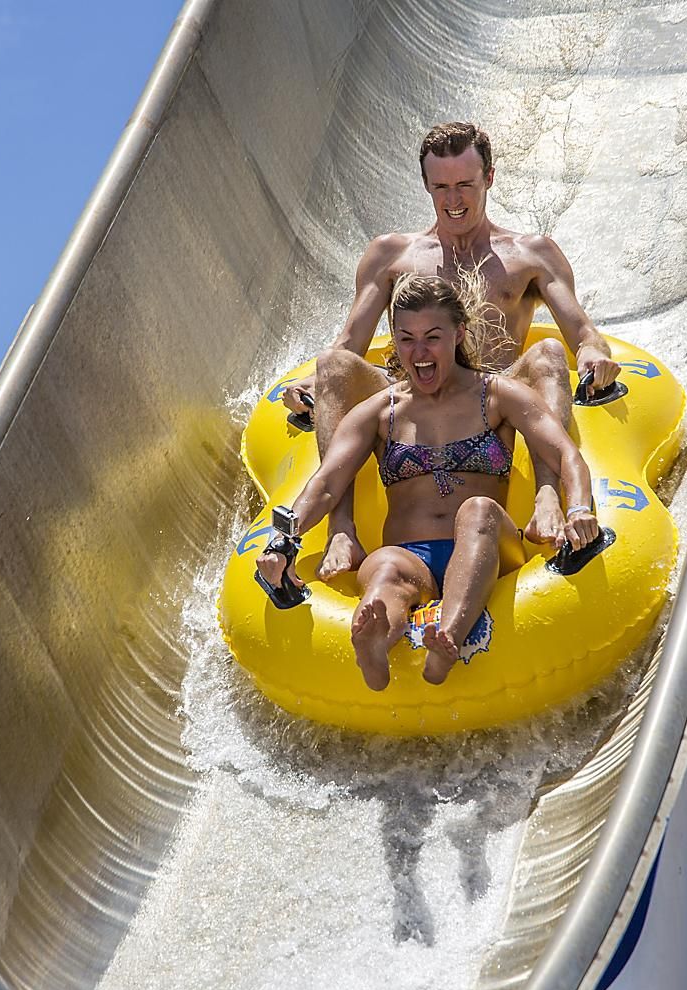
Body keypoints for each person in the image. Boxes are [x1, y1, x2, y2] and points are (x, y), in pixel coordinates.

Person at [280, 120, 621, 581]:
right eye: (441, 186)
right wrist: (312, 385)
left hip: (495, 395)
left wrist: (592, 353)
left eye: (465, 184)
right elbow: (349, 346)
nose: (454, 200)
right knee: (332, 367)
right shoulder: (391, 255)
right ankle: (342, 528)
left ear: (490, 179)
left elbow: (581, 331)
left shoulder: (530, 254)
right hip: (409, 390)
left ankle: (545, 495)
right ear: (425, 185)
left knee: (547, 355)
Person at [257, 274, 600, 691]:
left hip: (490, 549)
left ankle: (448, 639)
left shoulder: (496, 396)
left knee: (477, 511)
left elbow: (565, 455)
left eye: (432, 337)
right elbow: (326, 483)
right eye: (406, 339)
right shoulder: (380, 412)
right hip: (410, 555)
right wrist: (282, 541)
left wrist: (579, 507)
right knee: (384, 566)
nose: (418, 353)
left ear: (458, 334)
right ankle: (375, 643)